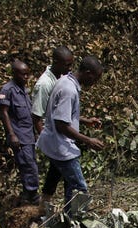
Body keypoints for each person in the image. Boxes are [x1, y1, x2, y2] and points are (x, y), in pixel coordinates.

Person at [36, 56, 105, 204]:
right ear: (88, 73)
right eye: (96, 78)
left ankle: (45, 207)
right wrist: (88, 140)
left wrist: (85, 120)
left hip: (53, 142)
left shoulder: (64, 81)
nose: (95, 82)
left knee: (58, 176)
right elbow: (61, 125)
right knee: (80, 189)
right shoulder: (69, 90)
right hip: (61, 146)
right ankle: (75, 222)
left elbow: (60, 114)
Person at [0, 60, 40, 205]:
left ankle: (29, 195)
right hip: (20, 136)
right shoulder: (8, 90)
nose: (26, 77)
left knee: (31, 164)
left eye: (28, 74)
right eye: (23, 74)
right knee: (28, 166)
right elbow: (4, 113)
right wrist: (11, 134)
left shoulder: (23, 90)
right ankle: (32, 196)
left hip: (29, 135)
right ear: (15, 73)